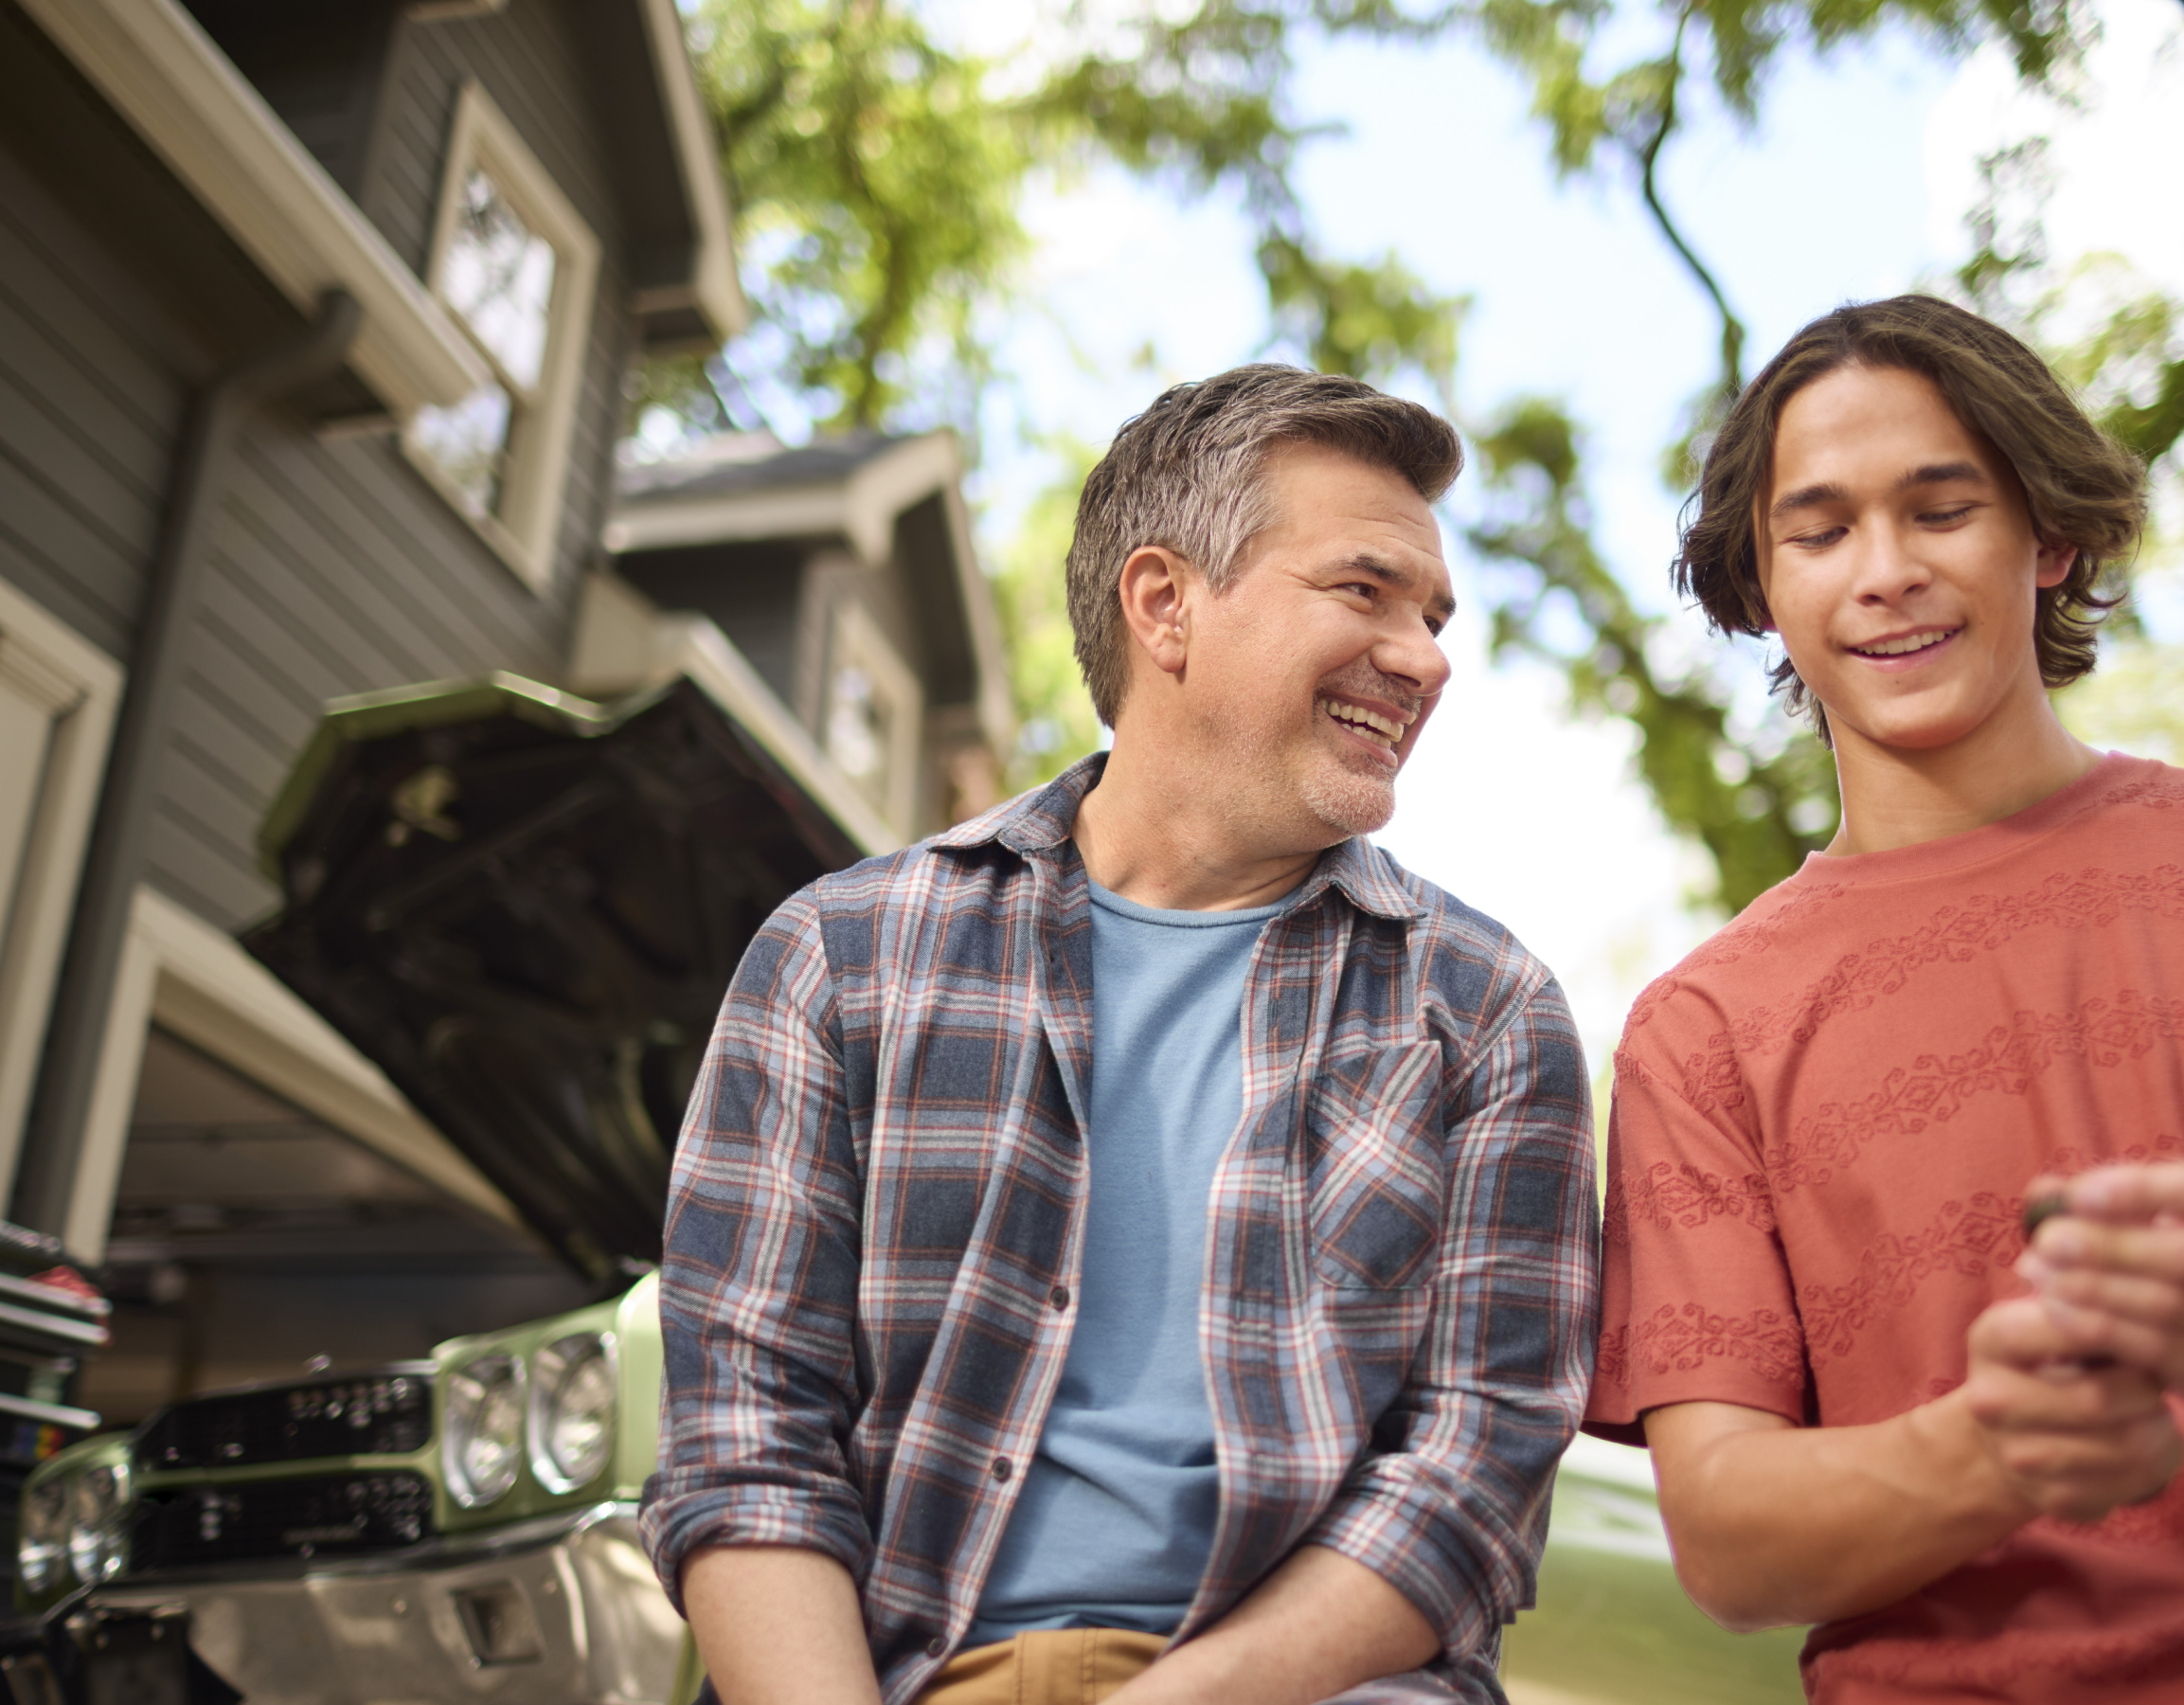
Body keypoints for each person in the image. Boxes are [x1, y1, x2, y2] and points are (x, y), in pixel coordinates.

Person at [1585, 294, 2184, 1699]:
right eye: (1820, 532)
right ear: (1761, 591)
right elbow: (1735, 1545)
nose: (1885, 573)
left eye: (1942, 511)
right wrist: (1997, 1444)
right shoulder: (1705, 1028)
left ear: (2048, 537)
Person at [641, 366, 1600, 1705]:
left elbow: (1471, 1480)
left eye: (1435, 616)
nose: (1430, 656)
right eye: (1364, 590)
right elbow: (746, 1441)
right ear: (1165, 606)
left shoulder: (1485, 1014)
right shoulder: (841, 959)